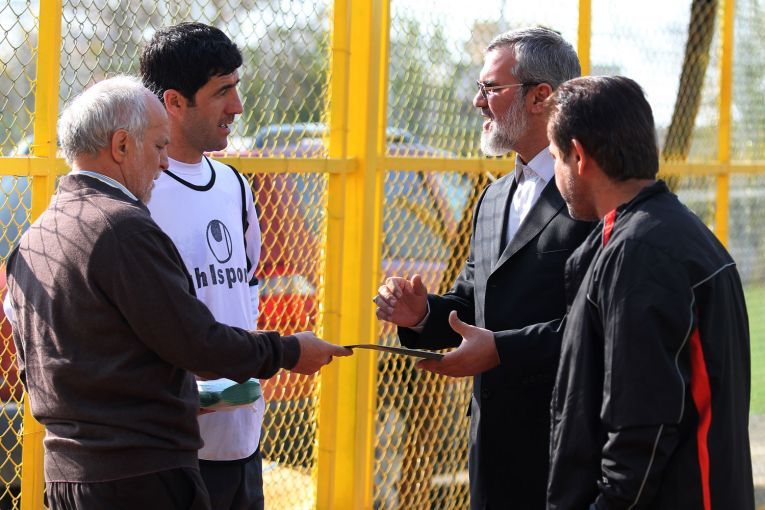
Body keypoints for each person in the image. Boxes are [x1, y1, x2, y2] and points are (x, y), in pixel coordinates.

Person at [3, 76, 350, 510]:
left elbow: (42, 364)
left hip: (68, 478)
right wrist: (289, 351)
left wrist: (172, 394)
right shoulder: (123, 228)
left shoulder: (35, 237)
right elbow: (197, 342)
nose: (165, 163)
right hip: (142, 479)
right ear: (121, 146)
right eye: (158, 147)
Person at [374, 27, 593, 509]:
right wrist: (422, 315)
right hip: (492, 452)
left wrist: (501, 352)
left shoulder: (590, 192)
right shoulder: (493, 196)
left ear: (540, 97)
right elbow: (473, 302)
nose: (477, 101)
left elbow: (598, 326)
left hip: (567, 451)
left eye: (490, 88)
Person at [543, 75, 754, 508]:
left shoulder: (639, 252)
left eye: (554, 158)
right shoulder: (673, 232)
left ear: (578, 155)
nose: (554, 174)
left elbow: (640, 429)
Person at [139, 22, 268, 509]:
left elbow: (246, 287)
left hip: (243, 444)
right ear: (173, 102)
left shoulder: (234, 185)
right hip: (169, 455)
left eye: (236, 87)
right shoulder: (136, 193)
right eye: (221, 92)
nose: (237, 106)